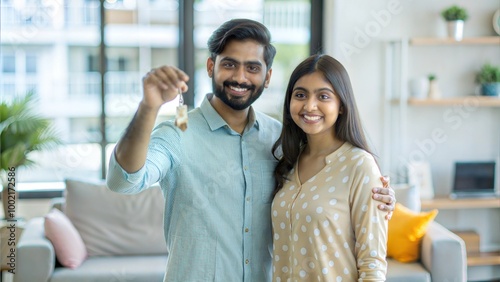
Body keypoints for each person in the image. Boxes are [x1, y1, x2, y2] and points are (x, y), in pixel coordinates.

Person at [106, 19, 394, 282]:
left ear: (267, 77)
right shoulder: (178, 133)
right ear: (211, 67)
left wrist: (378, 201)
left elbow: (329, 184)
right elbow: (123, 181)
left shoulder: (281, 140)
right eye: (229, 64)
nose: (240, 77)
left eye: (252, 68)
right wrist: (149, 107)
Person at [271, 54, 388, 281]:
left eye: (323, 96)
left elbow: (372, 263)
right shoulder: (288, 161)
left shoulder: (359, 165)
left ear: (341, 105)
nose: (309, 105)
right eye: (300, 95)